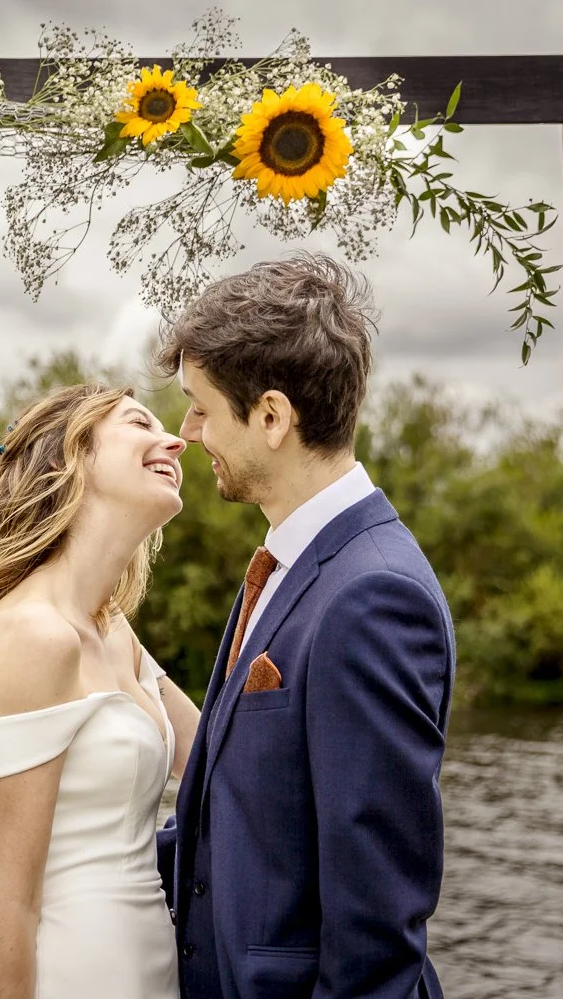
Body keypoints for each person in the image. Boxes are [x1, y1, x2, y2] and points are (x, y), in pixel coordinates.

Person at [152, 252, 456, 999]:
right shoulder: (293, 561)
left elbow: (376, 925)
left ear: (272, 416)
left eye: (200, 406)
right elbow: (253, 814)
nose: (188, 432)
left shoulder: (373, 595)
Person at [0, 383, 201, 999]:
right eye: (140, 423)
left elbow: (218, 759)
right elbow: (12, 908)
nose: (175, 441)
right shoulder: (36, 635)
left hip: (154, 969)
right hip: (75, 973)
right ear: (72, 458)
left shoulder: (114, 632)